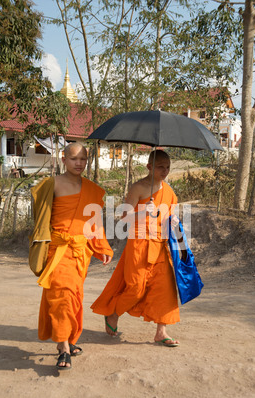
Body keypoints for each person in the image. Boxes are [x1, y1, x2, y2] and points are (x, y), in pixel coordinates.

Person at [30, 143, 113, 370]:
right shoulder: (51, 184)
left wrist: (102, 247)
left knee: (74, 297)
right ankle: (64, 347)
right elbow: (40, 218)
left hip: (80, 252)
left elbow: (94, 222)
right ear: (64, 159)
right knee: (62, 297)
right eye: (74, 158)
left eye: (83, 159)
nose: (79, 163)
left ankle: (68, 339)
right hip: (57, 250)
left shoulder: (92, 189)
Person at [91, 149, 180, 347]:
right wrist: (143, 214)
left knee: (165, 289)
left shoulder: (169, 191)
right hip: (139, 244)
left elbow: (170, 217)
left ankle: (161, 332)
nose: (165, 171)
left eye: (167, 167)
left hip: (160, 245)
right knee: (136, 288)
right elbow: (124, 218)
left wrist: (172, 220)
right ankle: (113, 313)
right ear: (149, 167)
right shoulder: (138, 188)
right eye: (160, 167)